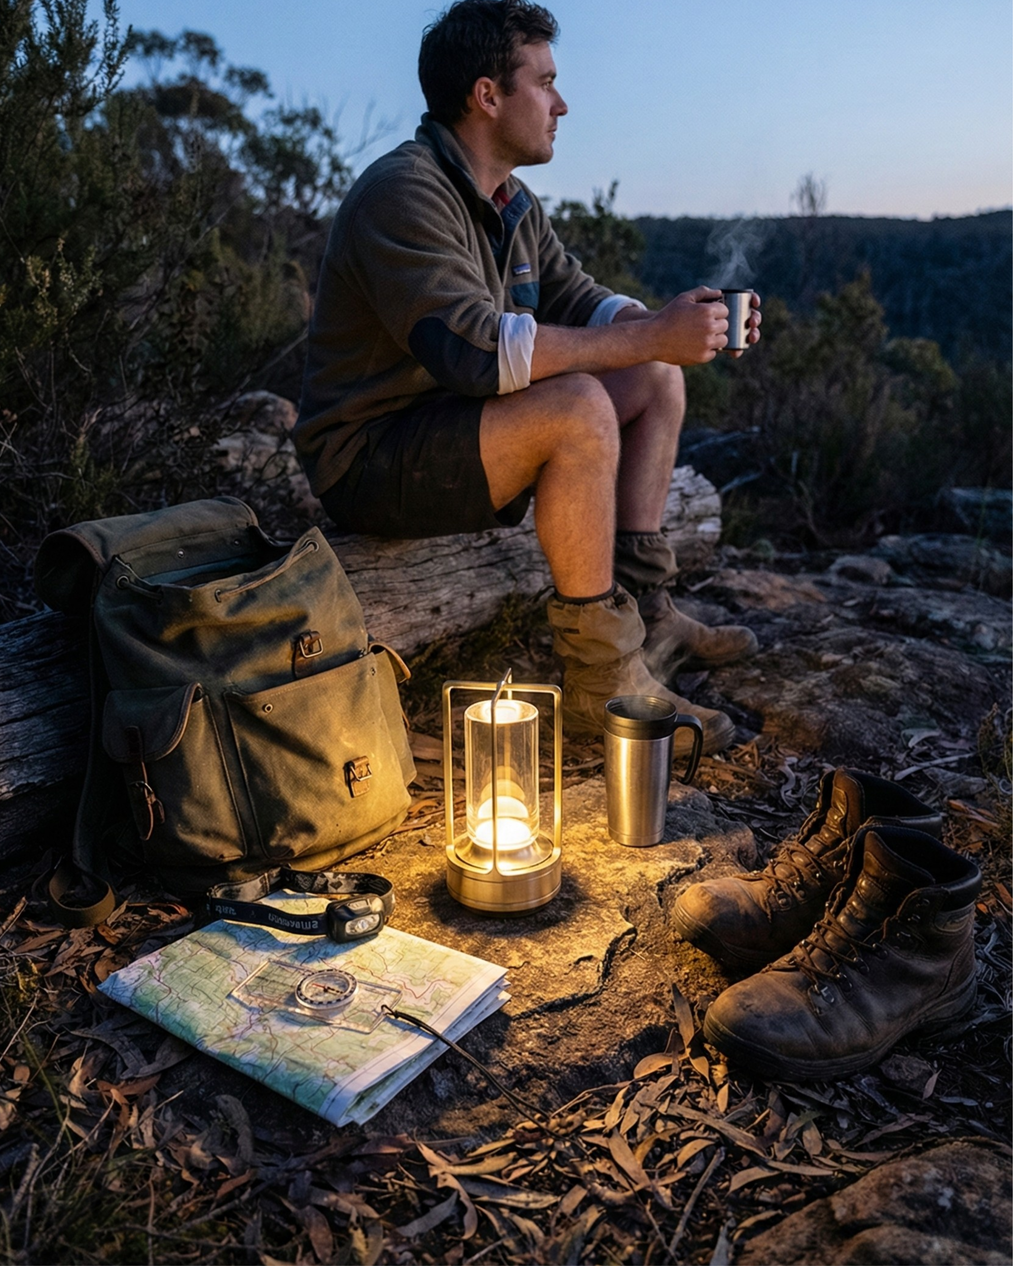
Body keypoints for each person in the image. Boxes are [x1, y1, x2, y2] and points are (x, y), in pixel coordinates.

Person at [295, 0, 761, 751]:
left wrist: (673, 325)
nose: (561, 103)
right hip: (373, 456)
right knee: (577, 405)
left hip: (455, 428)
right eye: (544, 82)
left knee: (653, 376)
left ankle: (647, 610)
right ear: (487, 95)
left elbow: (579, 299)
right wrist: (649, 335)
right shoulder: (404, 193)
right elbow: (474, 352)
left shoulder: (510, 202)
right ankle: (602, 685)